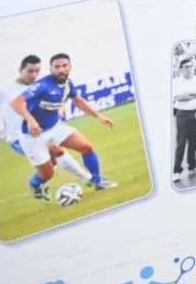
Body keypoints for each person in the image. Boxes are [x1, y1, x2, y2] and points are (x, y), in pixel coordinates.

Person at [14, 52, 119, 199]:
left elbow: (79, 101)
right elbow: (17, 102)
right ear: (51, 69)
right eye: (57, 67)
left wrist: (99, 116)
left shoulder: (68, 84)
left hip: (55, 127)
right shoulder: (42, 85)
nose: (61, 69)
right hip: (33, 136)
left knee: (86, 147)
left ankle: (98, 181)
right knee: (48, 173)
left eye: (64, 66)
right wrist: (31, 120)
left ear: (70, 67)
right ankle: (35, 183)